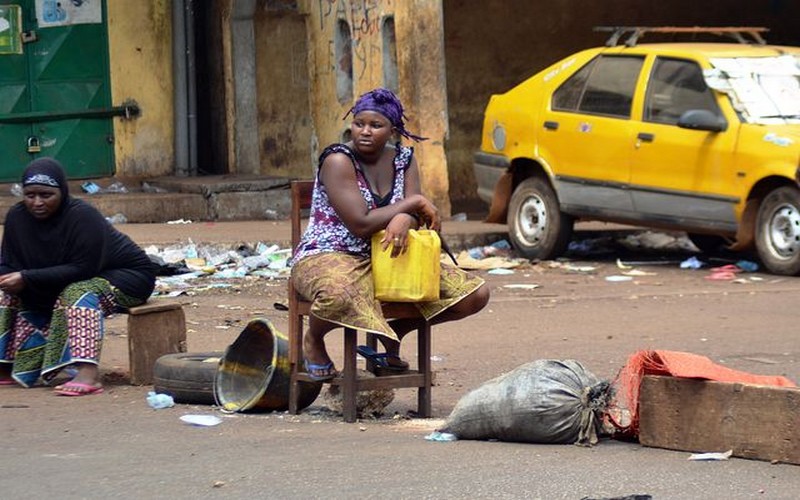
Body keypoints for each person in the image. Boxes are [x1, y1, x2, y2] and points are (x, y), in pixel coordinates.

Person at [290, 88, 490, 380]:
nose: (365, 132)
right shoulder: (338, 160)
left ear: (393, 130)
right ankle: (314, 338)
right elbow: (360, 222)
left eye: (376, 125)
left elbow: (415, 218)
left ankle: (396, 331)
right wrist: (411, 205)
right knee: (339, 295)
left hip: (389, 255)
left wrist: (405, 217)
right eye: (359, 124)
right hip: (330, 253)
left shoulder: (403, 159)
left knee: (474, 295)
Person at [0, 158, 157, 395]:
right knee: (5, 293)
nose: (37, 202)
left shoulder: (82, 216)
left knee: (77, 292)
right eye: (30, 195)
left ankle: (88, 375)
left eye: (46, 195)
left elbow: (84, 268)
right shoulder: (16, 217)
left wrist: (27, 277)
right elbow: (8, 262)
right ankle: (6, 367)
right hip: (60, 277)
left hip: (126, 277)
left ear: (61, 192)